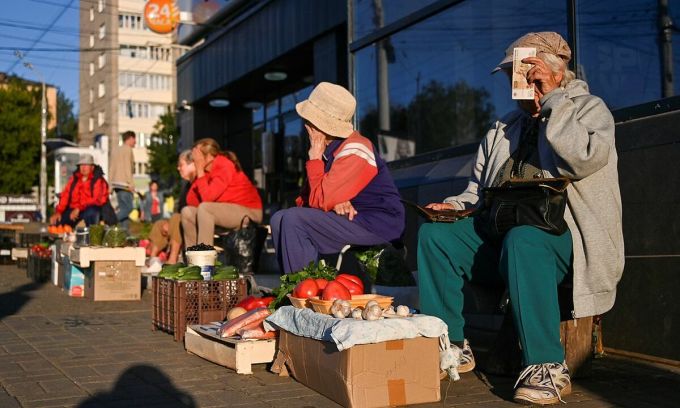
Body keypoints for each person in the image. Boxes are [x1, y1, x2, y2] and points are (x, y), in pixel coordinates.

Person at [417, 32, 624, 405]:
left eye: (525, 71)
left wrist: (554, 100)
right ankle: (452, 345)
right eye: (512, 73)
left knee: (524, 239)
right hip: (502, 233)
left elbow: (580, 159)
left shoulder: (588, 110)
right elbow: (477, 192)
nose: (517, 81)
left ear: (555, 72)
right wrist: (454, 206)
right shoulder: (503, 128)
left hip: (563, 241)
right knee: (436, 237)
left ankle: (547, 366)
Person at [270, 82, 405, 274]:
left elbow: (318, 200)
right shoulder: (328, 150)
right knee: (279, 218)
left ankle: (302, 297)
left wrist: (315, 161)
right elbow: (304, 201)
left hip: (375, 224)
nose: (305, 126)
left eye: (308, 121)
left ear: (319, 125)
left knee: (294, 219)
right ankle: (296, 291)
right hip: (352, 220)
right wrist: (332, 202)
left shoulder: (356, 148)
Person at [181, 139, 263, 247]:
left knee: (206, 208)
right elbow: (191, 200)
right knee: (187, 212)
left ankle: (204, 258)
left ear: (209, 156)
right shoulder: (205, 172)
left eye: (197, 155)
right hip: (228, 212)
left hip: (250, 212)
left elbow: (207, 199)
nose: (195, 159)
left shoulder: (224, 165)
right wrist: (199, 174)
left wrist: (200, 171)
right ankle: (192, 258)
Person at [147, 151, 196, 269]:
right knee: (160, 223)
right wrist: (168, 224)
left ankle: (172, 260)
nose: (178, 168)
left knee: (176, 218)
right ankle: (154, 260)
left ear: (191, 164)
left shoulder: (198, 182)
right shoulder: (187, 186)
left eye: (181, 165)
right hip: (183, 218)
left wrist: (172, 222)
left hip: (193, 220)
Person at [50, 154, 109, 227]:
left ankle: (91, 234)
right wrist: (58, 212)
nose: (83, 167)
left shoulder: (98, 180)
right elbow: (65, 196)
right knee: (58, 221)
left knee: (92, 212)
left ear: (92, 167)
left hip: (91, 208)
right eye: (81, 165)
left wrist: (79, 208)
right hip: (74, 210)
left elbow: (96, 200)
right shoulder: (74, 179)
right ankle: (67, 236)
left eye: (86, 165)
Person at [109, 130, 136, 228]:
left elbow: (111, 167)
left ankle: (124, 235)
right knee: (129, 208)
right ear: (130, 138)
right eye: (134, 139)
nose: (135, 142)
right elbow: (128, 168)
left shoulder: (114, 150)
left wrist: (110, 185)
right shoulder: (128, 149)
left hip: (116, 185)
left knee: (123, 210)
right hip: (125, 185)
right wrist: (131, 184)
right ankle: (111, 221)